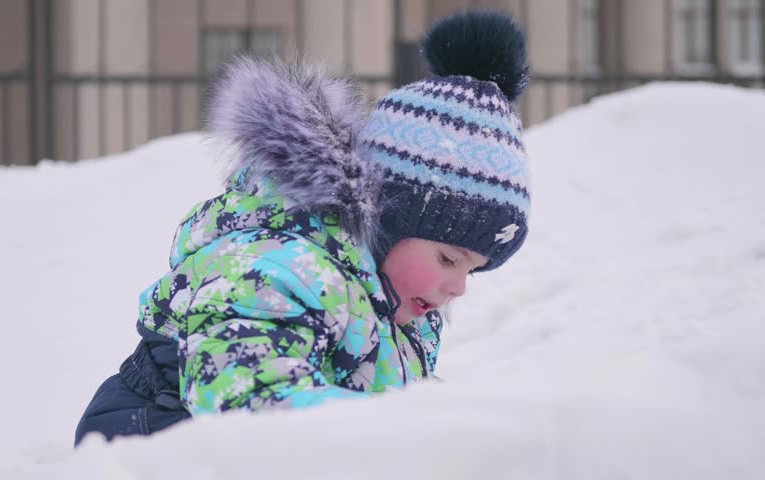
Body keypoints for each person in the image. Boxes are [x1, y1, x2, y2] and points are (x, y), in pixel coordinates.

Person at [75, 10, 530, 445]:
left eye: (472, 270)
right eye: (449, 258)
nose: (458, 287)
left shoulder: (395, 304)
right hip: (152, 439)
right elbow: (253, 403)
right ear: (387, 221)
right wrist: (398, 431)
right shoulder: (279, 267)